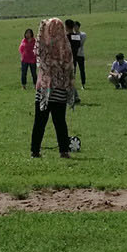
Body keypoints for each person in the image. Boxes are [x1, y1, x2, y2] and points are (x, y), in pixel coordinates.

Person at [31, 16, 74, 158]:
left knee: (40, 122)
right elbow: (69, 68)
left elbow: (36, 50)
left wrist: (43, 26)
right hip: (60, 89)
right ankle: (64, 151)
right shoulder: (66, 46)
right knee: (60, 122)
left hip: (44, 88)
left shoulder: (44, 44)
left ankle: (35, 151)